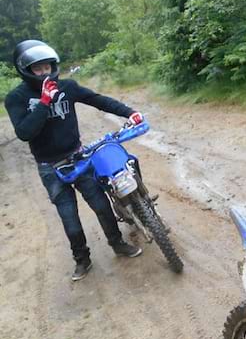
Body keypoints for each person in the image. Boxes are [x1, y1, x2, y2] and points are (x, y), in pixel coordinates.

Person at [5, 40, 144, 281]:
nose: (44, 72)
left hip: (78, 157)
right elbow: (24, 132)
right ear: (25, 70)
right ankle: (82, 260)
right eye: (38, 69)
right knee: (69, 217)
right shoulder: (16, 98)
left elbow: (98, 100)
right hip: (50, 167)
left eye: (47, 66)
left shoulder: (66, 86)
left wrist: (128, 111)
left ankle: (117, 243)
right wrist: (45, 102)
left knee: (101, 204)